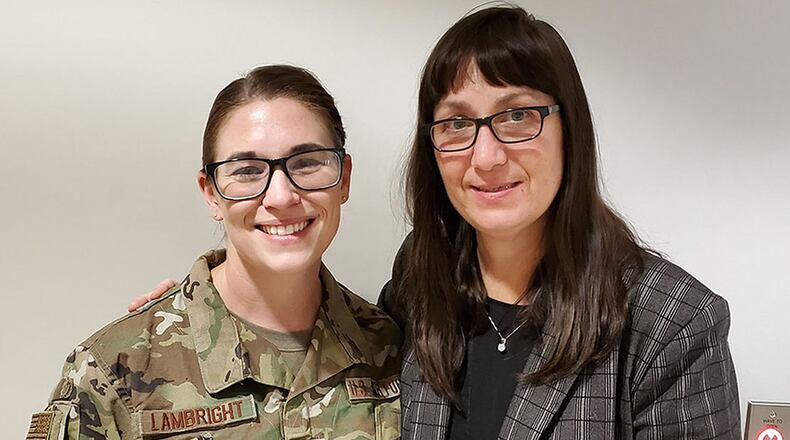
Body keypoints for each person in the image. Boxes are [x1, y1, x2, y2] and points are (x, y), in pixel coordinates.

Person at [129, 6, 741, 440]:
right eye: (456, 124)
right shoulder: (423, 283)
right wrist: (189, 313)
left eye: (518, 116)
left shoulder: (668, 324)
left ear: (569, 129)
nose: (487, 155)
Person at [27, 65, 401, 439]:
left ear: (344, 178)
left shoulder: (395, 351)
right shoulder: (114, 371)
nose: (281, 196)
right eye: (248, 171)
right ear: (211, 193)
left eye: (306, 163)